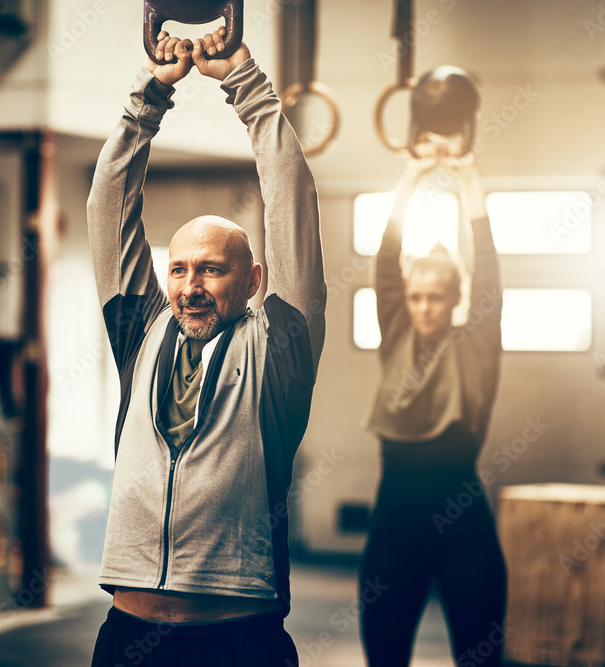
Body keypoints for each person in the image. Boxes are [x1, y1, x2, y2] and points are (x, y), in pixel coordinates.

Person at [87, 27, 325, 667]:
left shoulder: (278, 353)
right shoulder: (141, 332)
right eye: (180, 269)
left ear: (252, 281)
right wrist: (147, 97)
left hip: (236, 641)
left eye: (212, 270)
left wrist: (245, 84)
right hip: (127, 634)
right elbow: (109, 203)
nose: (191, 287)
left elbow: (292, 202)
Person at [360, 154, 507, 667]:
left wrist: (472, 184)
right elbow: (385, 265)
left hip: (462, 533)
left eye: (435, 298)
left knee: (480, 657)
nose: (423, 307)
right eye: (416, 297)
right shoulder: (397, 336)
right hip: (393, 534)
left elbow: (489, 275)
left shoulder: (476, 350)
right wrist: (408, 179)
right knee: (384, 656)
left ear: (454, 301)